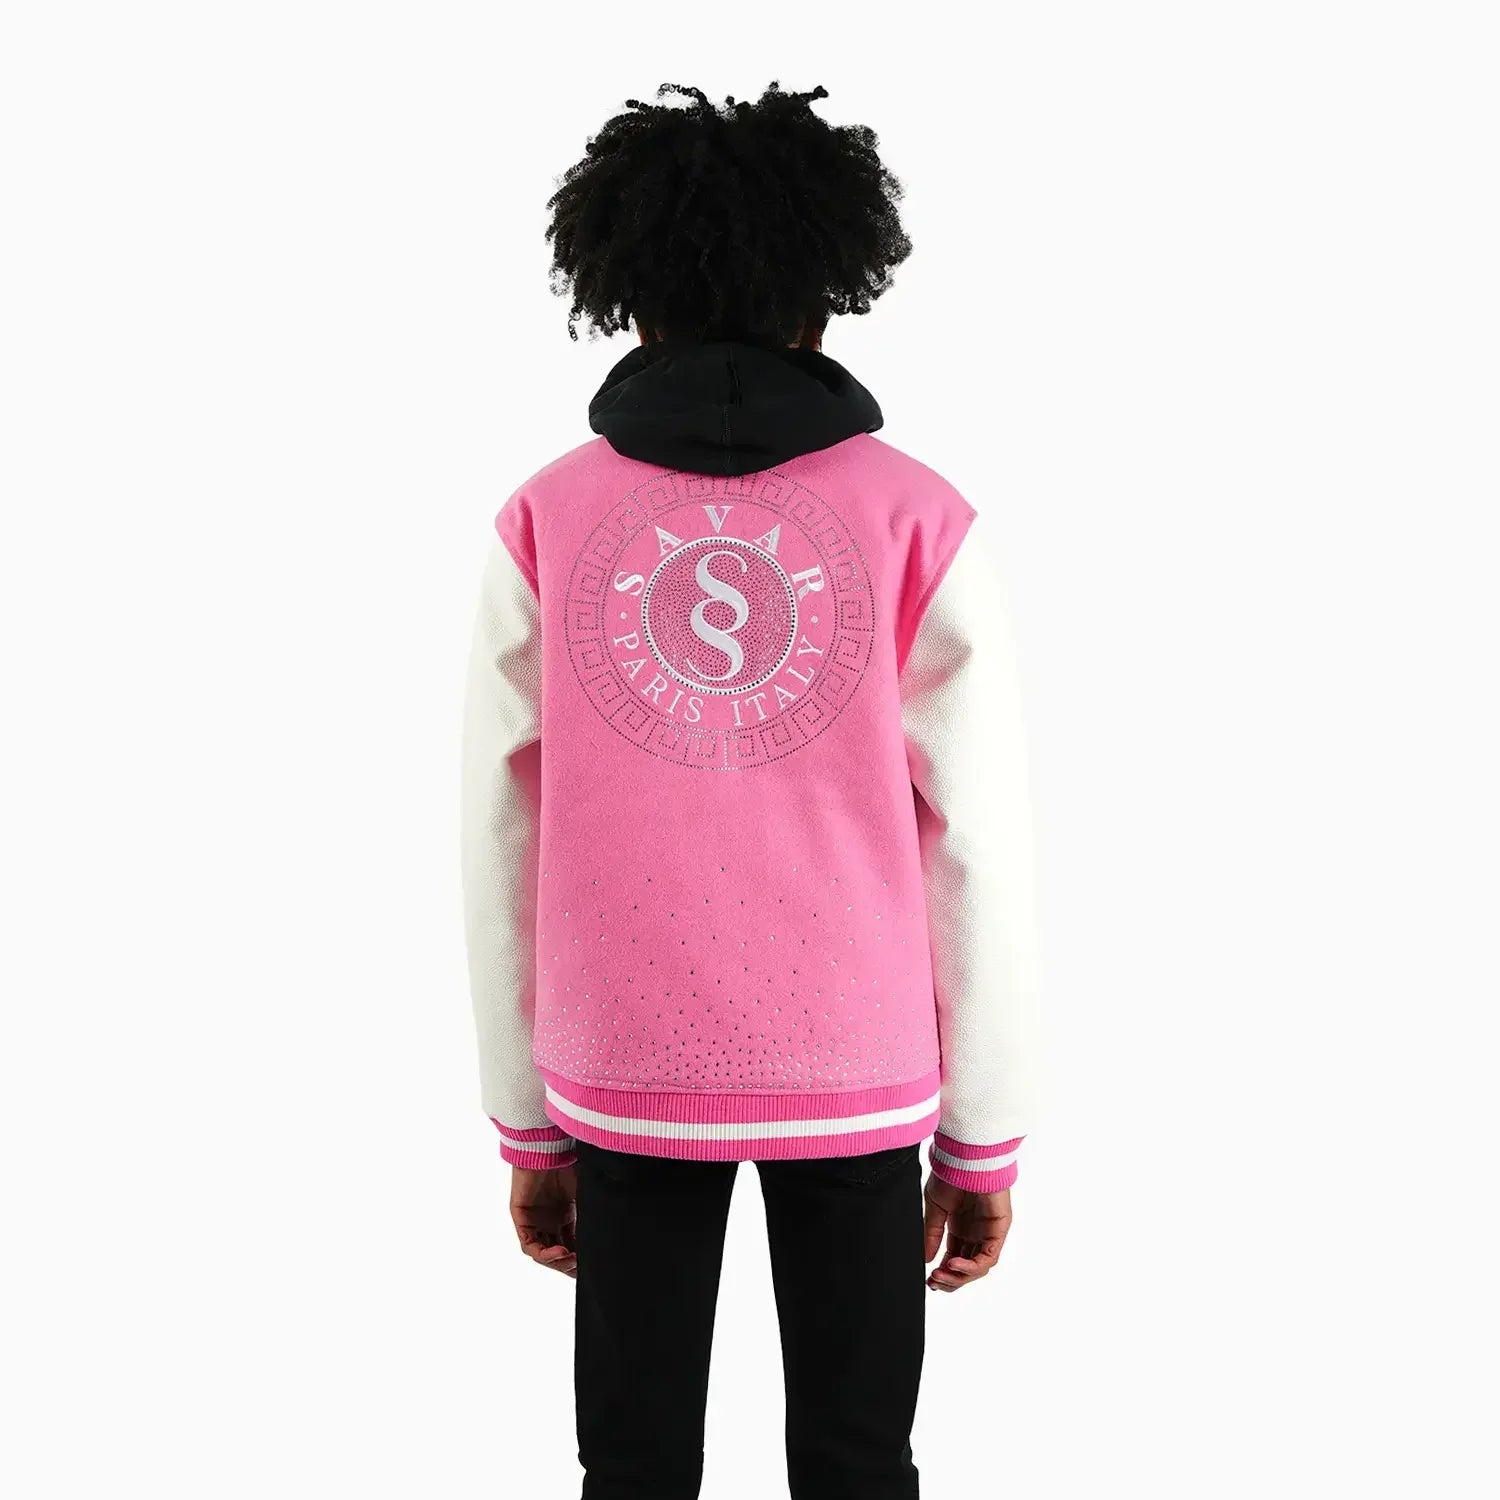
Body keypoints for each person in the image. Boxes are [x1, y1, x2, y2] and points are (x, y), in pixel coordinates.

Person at [461, 81, 1039, 1500]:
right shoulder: (918, 517)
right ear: (824, 297)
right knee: (859, 1463)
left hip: (622, 1059)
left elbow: (497, 825)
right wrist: (982, 1136)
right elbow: (978, 842)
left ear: (627, 295)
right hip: (854, 1060)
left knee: (633, 1464)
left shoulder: (545, 517)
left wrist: (524, 1116)